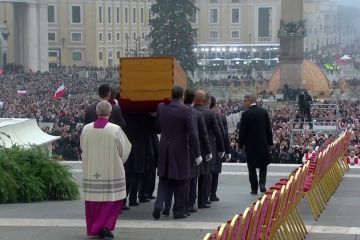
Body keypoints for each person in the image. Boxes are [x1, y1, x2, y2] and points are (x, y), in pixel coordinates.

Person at [80, 100, 132, 239]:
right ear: (110, 113)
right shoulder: (115, 129)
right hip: (112, 170)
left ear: (97, 113)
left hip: (92, 170)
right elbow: (125, 149)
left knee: (94, 201)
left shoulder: (86, 129)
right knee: (113, 199)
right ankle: (104, 226)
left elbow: (83, 147)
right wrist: (118, 161)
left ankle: (95, 228)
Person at [153, 86, 202, 219]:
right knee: (181, 181)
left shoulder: (161, 107)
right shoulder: (187, 110)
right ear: (183, 96)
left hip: (164, 146)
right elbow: (193, 134)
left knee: (164, 179)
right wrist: (197, 154)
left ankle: (159, 204)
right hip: (180, 149)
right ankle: (178, 211)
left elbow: (157, 126)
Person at [194, 91, 224, 208]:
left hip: (192, 147)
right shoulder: (211, 114)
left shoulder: (191, 111)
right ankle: (202, 200)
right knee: (205, 175)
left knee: (191, 177)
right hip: (208, 146)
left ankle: (190, 201)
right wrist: (221, 149)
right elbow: (218, 132)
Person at [238, 95, 273, 195]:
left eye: (245, 101)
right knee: (263, 165)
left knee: (251, 167)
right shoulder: (263, 111)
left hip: (250, 145)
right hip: (263, 143)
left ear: (250, 101)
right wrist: (270, 143)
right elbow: (268, 129)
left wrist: (240, 145)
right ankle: (262, 183)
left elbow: (242, 132)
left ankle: (254, 188)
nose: (243, 103)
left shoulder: (245, 114)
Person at [209, 96, 231, 202]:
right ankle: (212, 194)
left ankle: (202, 195)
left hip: (203, 147)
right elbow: (223, 134)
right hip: (216, 147)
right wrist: (226, 150)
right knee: (215, 172)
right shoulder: (220, 116)